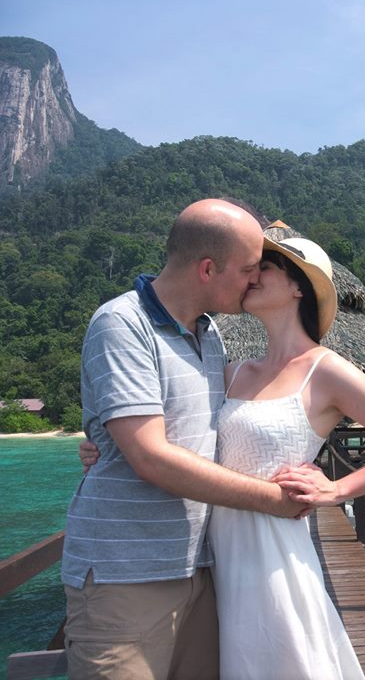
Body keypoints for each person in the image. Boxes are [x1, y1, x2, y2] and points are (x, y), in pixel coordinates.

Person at [64, 199, 307, 680]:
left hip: (202, 569)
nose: (253, 280)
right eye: (247, 270)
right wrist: (273, 500)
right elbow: (151, 457)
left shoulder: (209, 333)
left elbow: (217, 428)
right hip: (126, 578)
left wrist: (303, 460)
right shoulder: (122, 324)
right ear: (208, 269)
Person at [207, 233, 365, 679]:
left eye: (265, 268)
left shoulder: (324, 369)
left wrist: (337, 490)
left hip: (274, 553)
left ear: (299, 287)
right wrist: (106, 446)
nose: (252, 276)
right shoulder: (232, 372)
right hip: (214, 548)